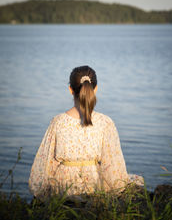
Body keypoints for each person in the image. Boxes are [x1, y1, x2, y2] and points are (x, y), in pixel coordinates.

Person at [29, 65, 144, 200]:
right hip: (94, 185)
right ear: (95, 89)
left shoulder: (58, 122)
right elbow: (112, 167)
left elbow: (45, 164)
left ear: (70, 90)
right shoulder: (105, 122)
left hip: (63, 188)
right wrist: (118, 187)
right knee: (138, 181)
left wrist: (40, 190)